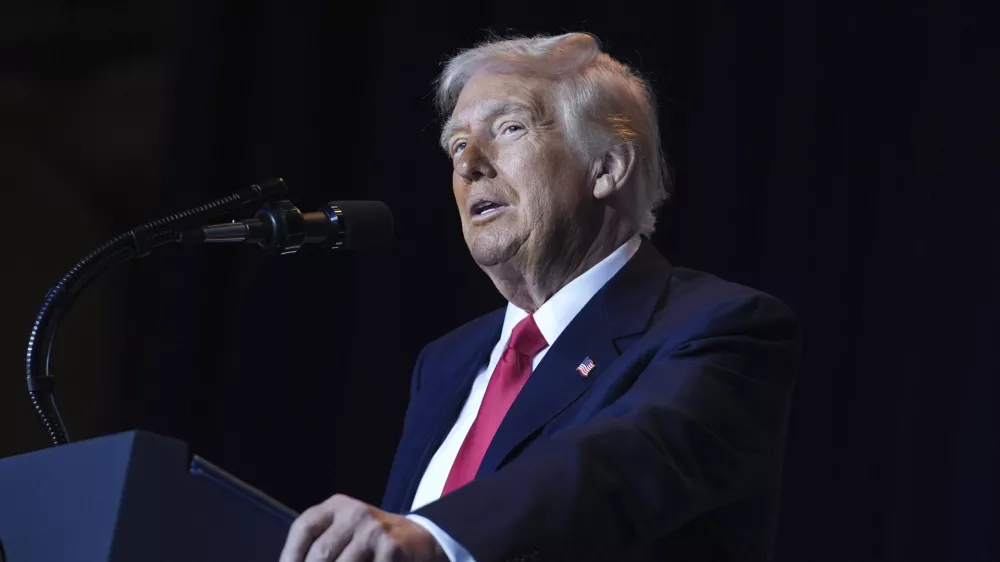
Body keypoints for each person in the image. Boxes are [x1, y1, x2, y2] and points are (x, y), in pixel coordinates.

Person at [279, 32, 801, 562]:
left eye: (509, 128)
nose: (469, 165)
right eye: (458, 144)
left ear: (607, 168)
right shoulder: (444, 363)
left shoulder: (721, 328)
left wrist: (438, 534)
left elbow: (623, 459)